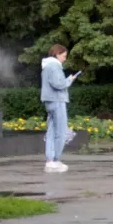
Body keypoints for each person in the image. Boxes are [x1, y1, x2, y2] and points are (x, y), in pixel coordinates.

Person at [41, 45, 78, 173]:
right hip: (58, 100)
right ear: (57, 54)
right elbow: (59, 84)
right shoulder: (55, 66)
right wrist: (69, 80)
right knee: (60, 131)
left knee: (51, 131)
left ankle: (50, 160)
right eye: (64, 56)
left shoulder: (46, 66)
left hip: (49, 101)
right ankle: (55, 160)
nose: (64, 59)